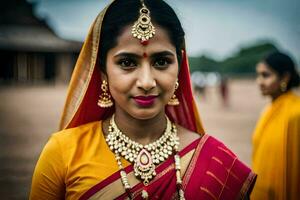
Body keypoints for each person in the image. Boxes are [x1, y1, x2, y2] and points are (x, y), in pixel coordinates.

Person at [30, 0, 256, 199]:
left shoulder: (212, 161)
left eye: (161, 62)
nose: (147, 82)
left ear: (180, 66)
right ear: (103, 71)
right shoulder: (63, 152)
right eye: (127, 63)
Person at [252, 51, 300, 200]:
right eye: (258, 75)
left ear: (284, 77)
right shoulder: (268, 111)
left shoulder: (296, 114)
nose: (259, 81)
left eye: (266, 75)